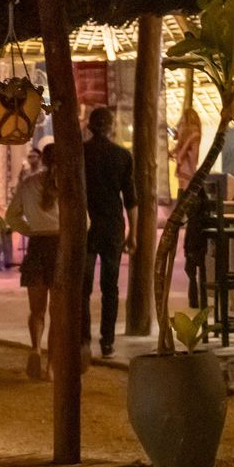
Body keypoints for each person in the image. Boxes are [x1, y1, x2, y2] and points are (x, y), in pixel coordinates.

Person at [81, 107, 137, 359]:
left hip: (87, 225)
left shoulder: (81, 154)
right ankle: (108, 342)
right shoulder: (122, 156)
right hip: (114, 225)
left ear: (90, 127)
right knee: (110, 287)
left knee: (83, 287)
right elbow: (131, 200)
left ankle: (83, 339)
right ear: (112, 127)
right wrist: (133, 233)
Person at [6, 142, 63, 380]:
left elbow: (11, 216)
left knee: (36, 310)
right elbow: (86, 222)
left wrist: (29, 230)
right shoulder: (69, 185)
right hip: (60, 248)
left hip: (37, 246)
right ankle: (51, 365)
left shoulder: (28, 183)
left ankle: (35, 348)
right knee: (58, 311)